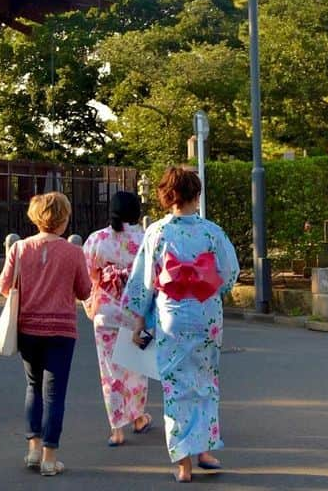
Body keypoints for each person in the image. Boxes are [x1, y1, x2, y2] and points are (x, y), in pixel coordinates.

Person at [123, 167, 239, 483]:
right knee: (206, 381)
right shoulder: (212, 232)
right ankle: (206, 451)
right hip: (206, 316)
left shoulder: (157, 232)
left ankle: (184, 464)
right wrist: (207, 287)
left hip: (171, 315)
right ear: (196, 195)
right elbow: (229, 273)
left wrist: (138, 321)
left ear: (166, 196)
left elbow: (143, 282)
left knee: (176, 387)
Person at [0, 191, 91, 477]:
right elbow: (85, 291)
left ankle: (33, 449)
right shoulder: (74, 252)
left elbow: (3, 285)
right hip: (62, 330)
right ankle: (50, 457)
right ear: (63, 220)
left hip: (28, 327)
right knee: (55, 393)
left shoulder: (20, 248)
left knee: (32, 386)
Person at [83, 190, 152, 446]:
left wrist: (91, 303)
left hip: (106, 311)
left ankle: (116, 429)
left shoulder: (97, 239)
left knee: (110, 371)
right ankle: (138, 418)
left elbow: (87, 274)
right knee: (137, 367)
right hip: (137, 313)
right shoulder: (144, 239)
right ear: (136, 213)